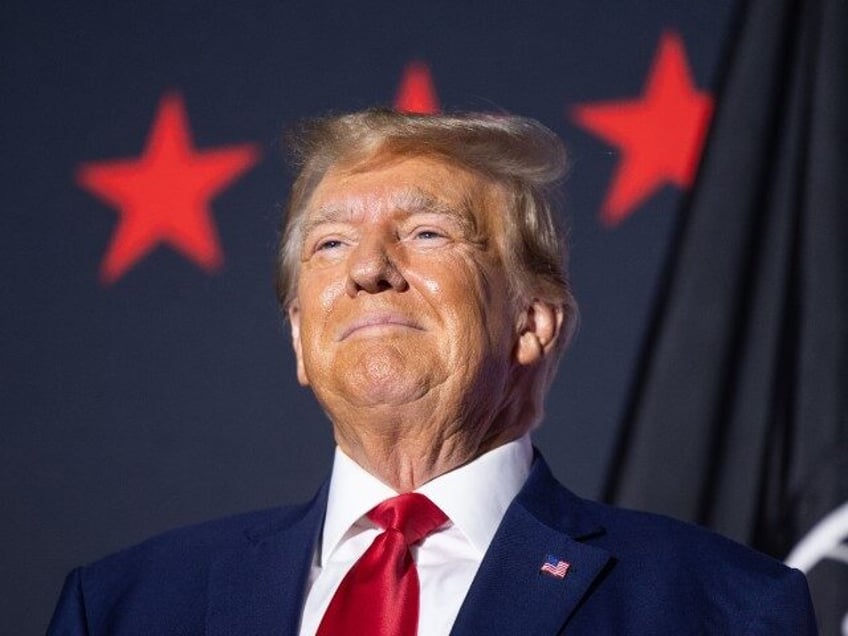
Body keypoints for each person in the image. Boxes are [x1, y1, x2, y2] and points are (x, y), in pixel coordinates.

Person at [48, 109, 817, 635]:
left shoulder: (721, 608)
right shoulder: (126, 606)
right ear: (297, 339)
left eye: (425, 231)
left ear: (531, 322)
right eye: (330, 245)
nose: (370, 270)